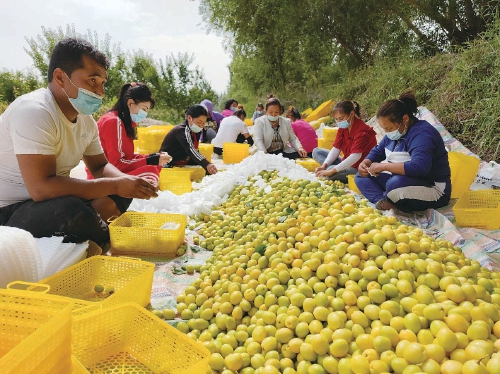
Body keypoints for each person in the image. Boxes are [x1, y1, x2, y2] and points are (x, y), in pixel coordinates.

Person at [0, 38, 157, 245]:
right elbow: (41, 189)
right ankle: (95, 230)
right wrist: (116, 185)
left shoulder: (86, 121)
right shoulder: (34, 112)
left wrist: (125, 183)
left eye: (102, 83)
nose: (100, 92)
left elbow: (100, 165)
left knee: (124, 190)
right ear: (60, 77)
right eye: (92, 80)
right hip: (12, 210)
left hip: (54, 199)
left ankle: (87, 227)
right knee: (69, 211)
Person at [355, 91, 451, 212]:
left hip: (433, 189)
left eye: (389, 128)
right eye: (384, 129)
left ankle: (391, 198)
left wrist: (384, 166)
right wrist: (366, 162)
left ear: (404, 119)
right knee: (361, 176)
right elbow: (378, 151)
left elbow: (419, 167)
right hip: (404, 182)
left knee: (393, 185)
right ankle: (382, 201)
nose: (386, 132)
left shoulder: (422, 134)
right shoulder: (394, 134)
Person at [86, 82, 171, 187]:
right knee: (150, 172)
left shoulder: (124, 123)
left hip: (114, 173)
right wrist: (150, 160)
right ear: (130, 103)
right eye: (144, 109)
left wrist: (153, 157)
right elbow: (117, 164)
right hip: (103, 177)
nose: (144, 114)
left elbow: (128, 157)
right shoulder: (113, 122)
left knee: (155, 166)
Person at [313, 100, 377, 183]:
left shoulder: (362, 131)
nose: (339, 122)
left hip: (358, 168)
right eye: (336, 119)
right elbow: (336, 148)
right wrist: (324, 165)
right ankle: (331, 168)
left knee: (330, 170)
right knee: (316, 151)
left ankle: (333, 170)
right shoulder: (343, 129)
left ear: (352, 114)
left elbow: (355, 157)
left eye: (341, 118)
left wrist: (331, 171)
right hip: (346, 162)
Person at [159, 105, 218, 175]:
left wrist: (203, 161)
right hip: (168, 162)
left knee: (204, 164)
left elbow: (195, 149)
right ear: (189, 118)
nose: (201, 126)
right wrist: (206, 163)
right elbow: (190, 149)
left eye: (203, 123)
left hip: (184, 159)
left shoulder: (196, 130)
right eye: (199, 122)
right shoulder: (182, 130)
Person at [253, 95, 307, 159]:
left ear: (280, 111)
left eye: (276, 112)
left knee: (301, 157)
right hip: (266, 152)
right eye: (271, 112)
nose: (273, 115)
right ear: (266, 111)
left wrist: (299, 148)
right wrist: (264, 154)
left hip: (282, 153)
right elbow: (258, 140)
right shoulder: (259, 122)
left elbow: (293, 138)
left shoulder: (286, 122)